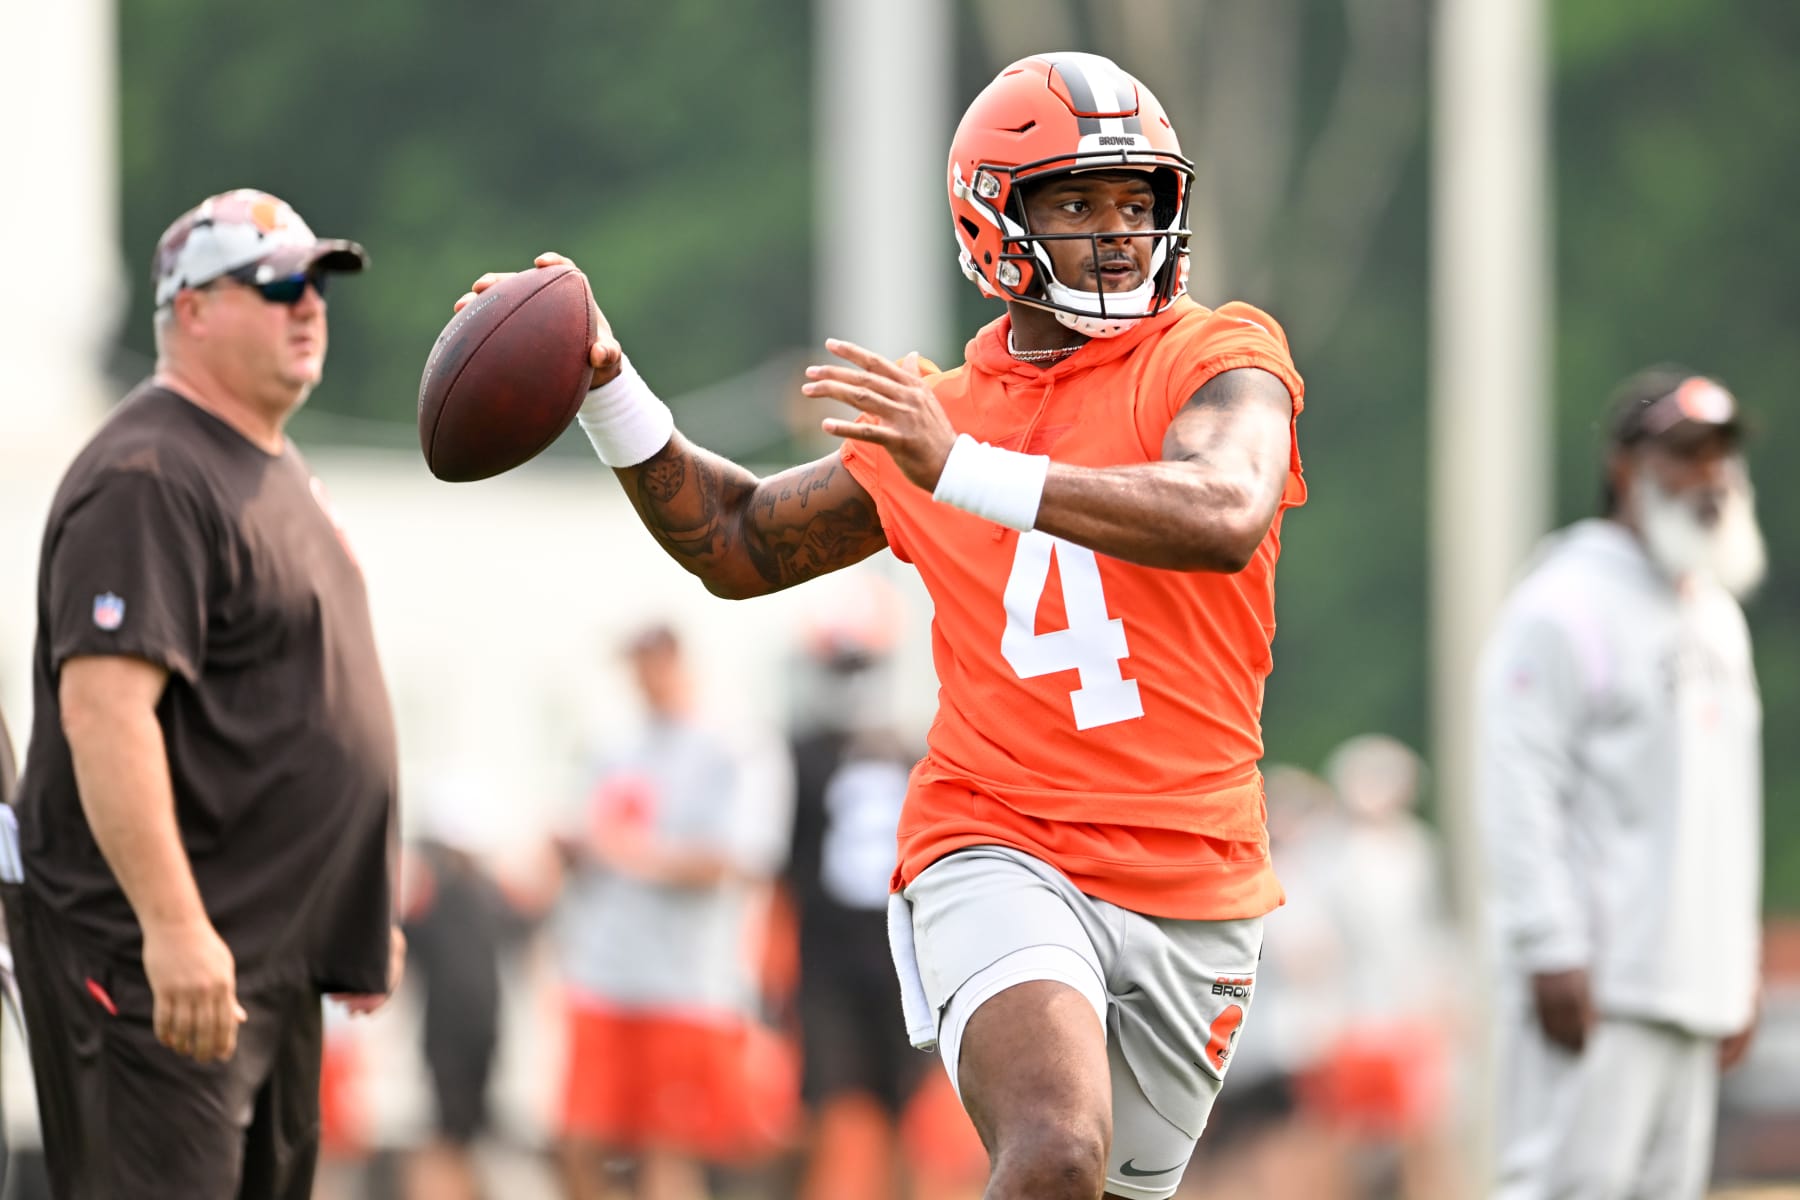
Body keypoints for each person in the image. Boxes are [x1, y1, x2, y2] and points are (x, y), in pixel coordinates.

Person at [463, 50, 1308, 1200]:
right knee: (1056, 1150)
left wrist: (964, 470)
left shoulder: (1218, 357)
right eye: (1075, 201)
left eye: (1136, 200)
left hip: (1196, 871)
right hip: (998, 838)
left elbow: (1223, 509)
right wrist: (608, 383)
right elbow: (741, 540)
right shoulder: (938, 419)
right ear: (992, 217)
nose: (1117, 231)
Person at [6, 188, 404, 1200]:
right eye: (275, 285)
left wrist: (350, 913)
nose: (307, 304)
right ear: (191, 310)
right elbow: (106, 711)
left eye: (316, 282)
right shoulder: (151, 471)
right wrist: (173, 926)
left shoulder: (266, 467)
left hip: (261, 962)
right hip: (162, 965)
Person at [1477, 366, 1765, 1199]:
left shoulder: (1716, 614)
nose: (1710, 477)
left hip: (1691, 979)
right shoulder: (1564, 603)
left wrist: (1734, 962)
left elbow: (1727, 810)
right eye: (1684, 454)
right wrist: (1549, 943)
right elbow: (1518, 779)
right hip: (1596, 979)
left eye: (1720, 454)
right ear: (1625, 466)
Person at [553, 623, 796, 1200]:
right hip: (603, 973)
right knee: (579, 1143)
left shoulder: (732, 744)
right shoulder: (614, 744)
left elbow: (745, 858)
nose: (641, 678)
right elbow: (589, 837)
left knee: (670, 1150)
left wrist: (639, 857)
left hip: (687, 983)